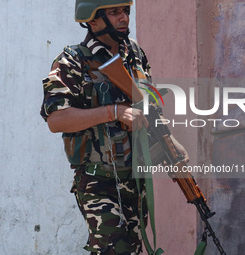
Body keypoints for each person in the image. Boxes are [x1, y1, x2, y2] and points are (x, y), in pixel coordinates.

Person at [40, 1, 189, 254]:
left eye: (126, 11)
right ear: (93, 19)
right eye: (114, 12)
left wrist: (171, 148)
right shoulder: (72, 60)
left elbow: (150, 108)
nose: (124, 18)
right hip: (99, 181)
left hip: (135, 180)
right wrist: (114, 112)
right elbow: (56, 119)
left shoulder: (135, 55)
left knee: (130, 249)